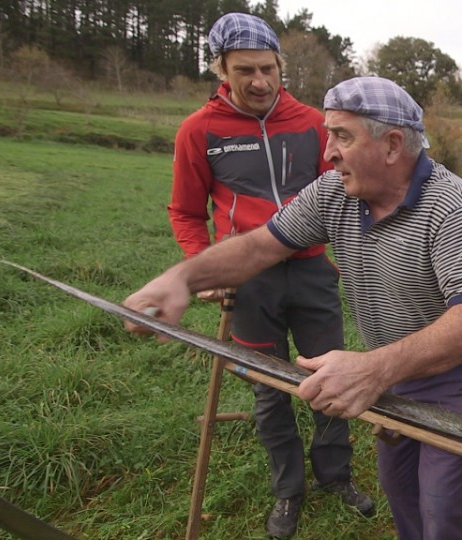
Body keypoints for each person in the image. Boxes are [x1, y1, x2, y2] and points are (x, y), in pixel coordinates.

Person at [125, 76, 462, 540]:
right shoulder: (334, 194)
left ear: (391, 145)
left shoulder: (450, 205)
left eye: (342, 136)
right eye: (329, 134)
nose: (327, 152)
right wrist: (180, 278)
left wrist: (375, 370)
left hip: (448, 376)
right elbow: (259, 247)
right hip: (386, 366)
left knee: (441, 504)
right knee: (399, 487)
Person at [169, 12, 373, 538]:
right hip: (250, 282)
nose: (259, 82)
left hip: (312, 273)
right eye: (245, 71)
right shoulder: (199, 130)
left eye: (268, 68)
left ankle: (335, 474)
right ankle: (288, 490)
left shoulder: (311, 123)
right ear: (220, 69)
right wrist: (204, 265)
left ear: (281, 66)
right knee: (267, 388)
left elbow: (342, 194)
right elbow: (187, 213)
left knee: (330, 377)